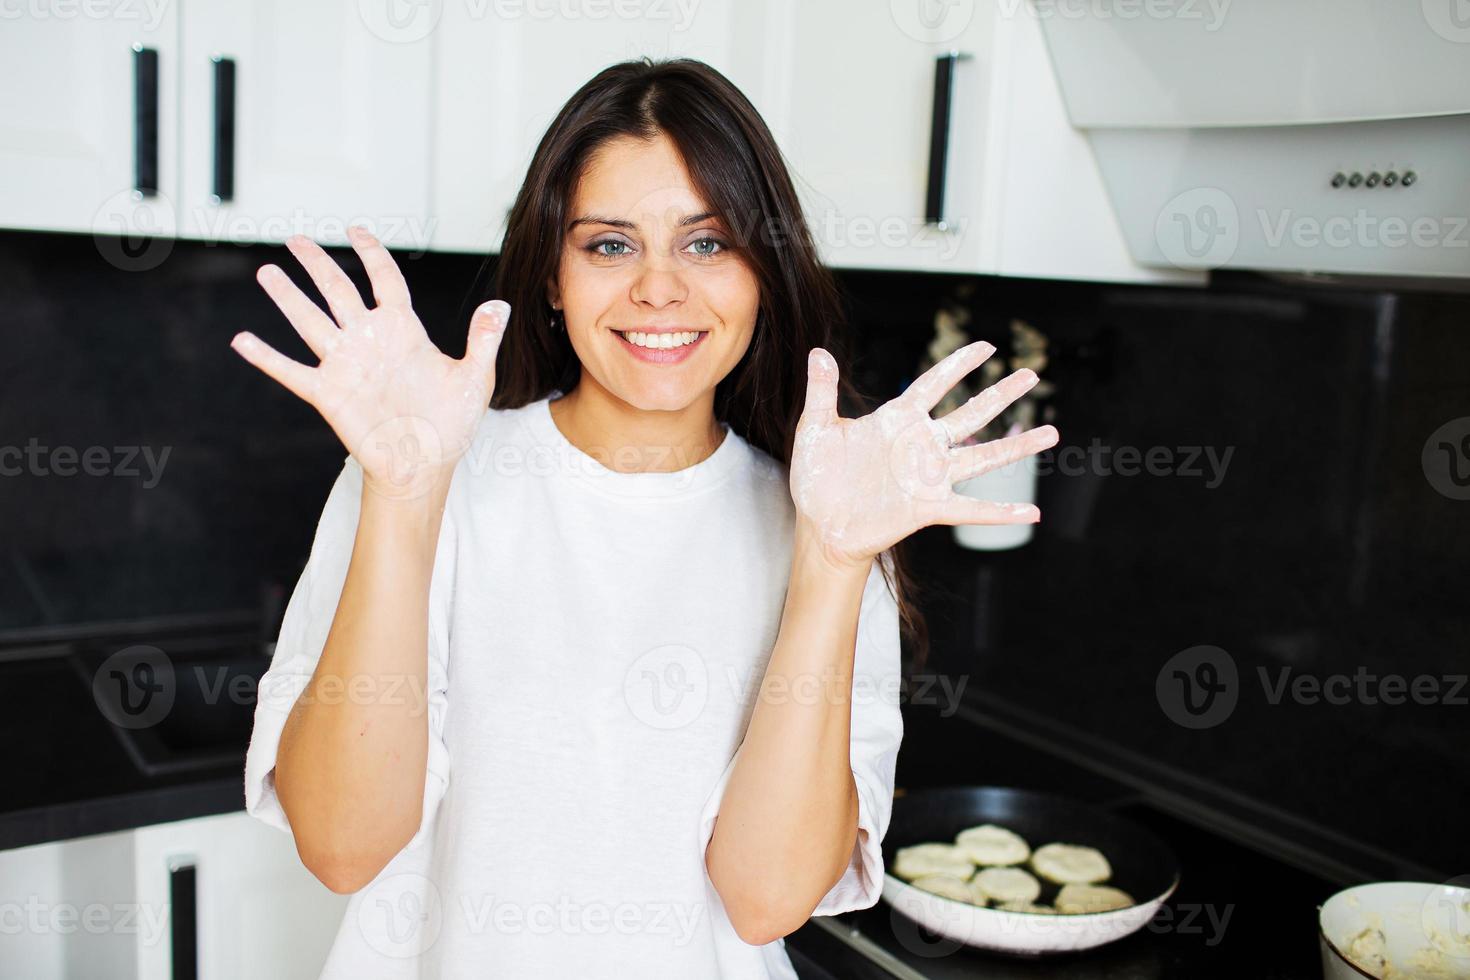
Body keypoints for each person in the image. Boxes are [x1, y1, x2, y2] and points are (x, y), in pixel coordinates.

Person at [233, 57, 1057, 979]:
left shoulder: (833, 517)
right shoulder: (418, 467)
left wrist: (830, 561)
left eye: (707, 243)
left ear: (763, 274)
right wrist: (405, 494)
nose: (660, 289)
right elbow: (343, 847)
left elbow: (765, 898)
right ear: (552, 274)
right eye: (610, 245)